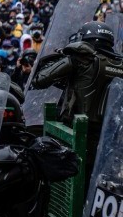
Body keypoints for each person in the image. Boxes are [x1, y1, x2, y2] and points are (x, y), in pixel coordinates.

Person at [30, 21, 123, 176]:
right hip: (107, 136)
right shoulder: (119, 63)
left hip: (74, 133)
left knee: (67, 185)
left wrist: (62, 57)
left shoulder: (82, 57)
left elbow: (40, 80)